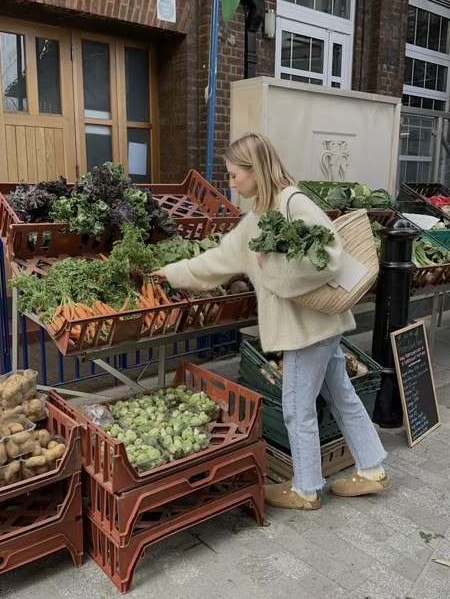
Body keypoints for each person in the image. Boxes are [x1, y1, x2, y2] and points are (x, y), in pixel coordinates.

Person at [151, 132, 390, 510]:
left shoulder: (293, 201)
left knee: (297, 407)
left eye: (234, 174)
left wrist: (273, 264)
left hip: (305, 331)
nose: (231, 182)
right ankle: (373, 469)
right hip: (318, 328)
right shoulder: (256, 219)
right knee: (342, 395)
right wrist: (172, 271)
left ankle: (307, 489)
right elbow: (218, 260)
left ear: (255, 170)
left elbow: (329, 255)